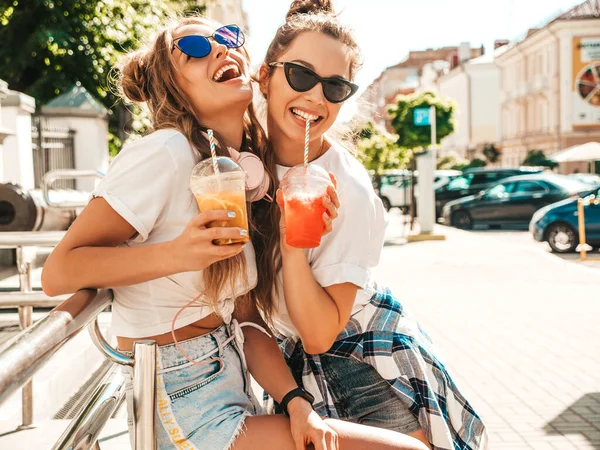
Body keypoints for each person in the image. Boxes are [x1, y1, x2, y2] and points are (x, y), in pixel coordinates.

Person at [42, 14, 429, 450]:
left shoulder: (233, 169)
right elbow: (58, 273)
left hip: (232, 380)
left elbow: (245, 318)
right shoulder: (165, 152)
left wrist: (297, 402)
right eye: (195, 45)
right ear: (172, 82)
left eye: (228, 37)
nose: (221, 48)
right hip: (181, 398)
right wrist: (178, 253)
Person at [254, 1, 488, 449]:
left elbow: (321, 334)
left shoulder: (350, 191)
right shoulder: (245, 159)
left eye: (335, 87)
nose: (316, 97)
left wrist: (293, 240)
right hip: (290, 369)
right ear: (265, 76)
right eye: (301, 75)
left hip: (364, 366)